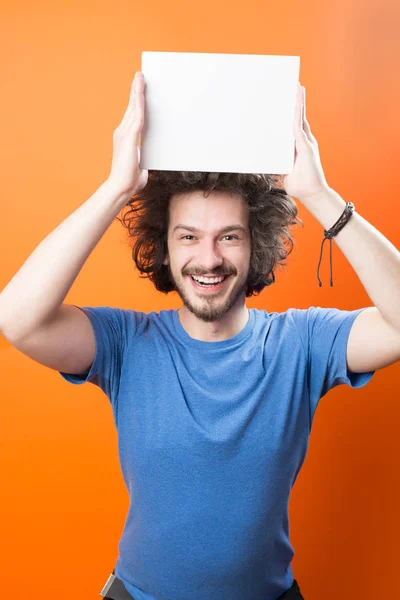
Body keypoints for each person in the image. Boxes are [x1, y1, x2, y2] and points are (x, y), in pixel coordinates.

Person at [0, 71, 399, 600]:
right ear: (163, 248)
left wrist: (321, 197)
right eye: (188, 236)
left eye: (228, 237)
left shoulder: (301, 344)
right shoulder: (127, 344)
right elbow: (17, 319)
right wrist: (117, 187)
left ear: (255, 246)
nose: (208, 259)